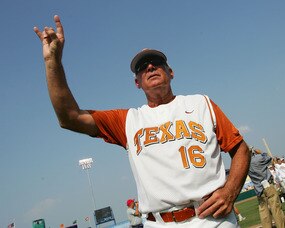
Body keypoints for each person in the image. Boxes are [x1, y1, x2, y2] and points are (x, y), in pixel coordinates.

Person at [34, 16, 250, 228]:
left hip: (213, 219)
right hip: (158, 222)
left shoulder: (201, 103)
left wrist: (230, 190)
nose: (150, 67)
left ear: (170, 72)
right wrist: (52, 63)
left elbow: (240, 148)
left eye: (157, 63)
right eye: (142, 67)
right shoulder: (128, 120)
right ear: (137, 82)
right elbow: (69, 117)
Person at [248, 148, 285, 228]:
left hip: (258, 190)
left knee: (264, 212)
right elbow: (269, 158)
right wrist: (260, 152)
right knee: (276, 209)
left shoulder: (245, 163)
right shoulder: (258, 158)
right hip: (268, 186)